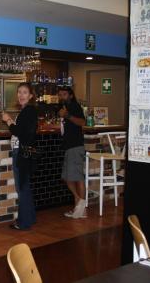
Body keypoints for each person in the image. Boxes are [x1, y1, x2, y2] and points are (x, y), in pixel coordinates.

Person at [2, 82, 37, 230]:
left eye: (24, 92)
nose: (21, 95)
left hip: (21, 153)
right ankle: (29, 218)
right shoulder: (27, 111)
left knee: (21, 188)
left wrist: (8, 120)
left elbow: (19, 132)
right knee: (24, 187)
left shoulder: (28, 111)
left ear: (30, 96)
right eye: (19, 92)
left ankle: (23, 222)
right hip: (23, 152)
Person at [58, 86, 87, 219]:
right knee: (68, 177)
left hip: (75, 146)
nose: (62, 97)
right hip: (70, 146)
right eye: (60, 95)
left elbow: (82, 122)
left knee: (77, 177)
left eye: (64, 94)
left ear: (70, 95)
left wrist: (67, 115)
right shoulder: (66, 107)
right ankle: (80, 205)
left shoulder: (74, 106)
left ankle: (80, 209)